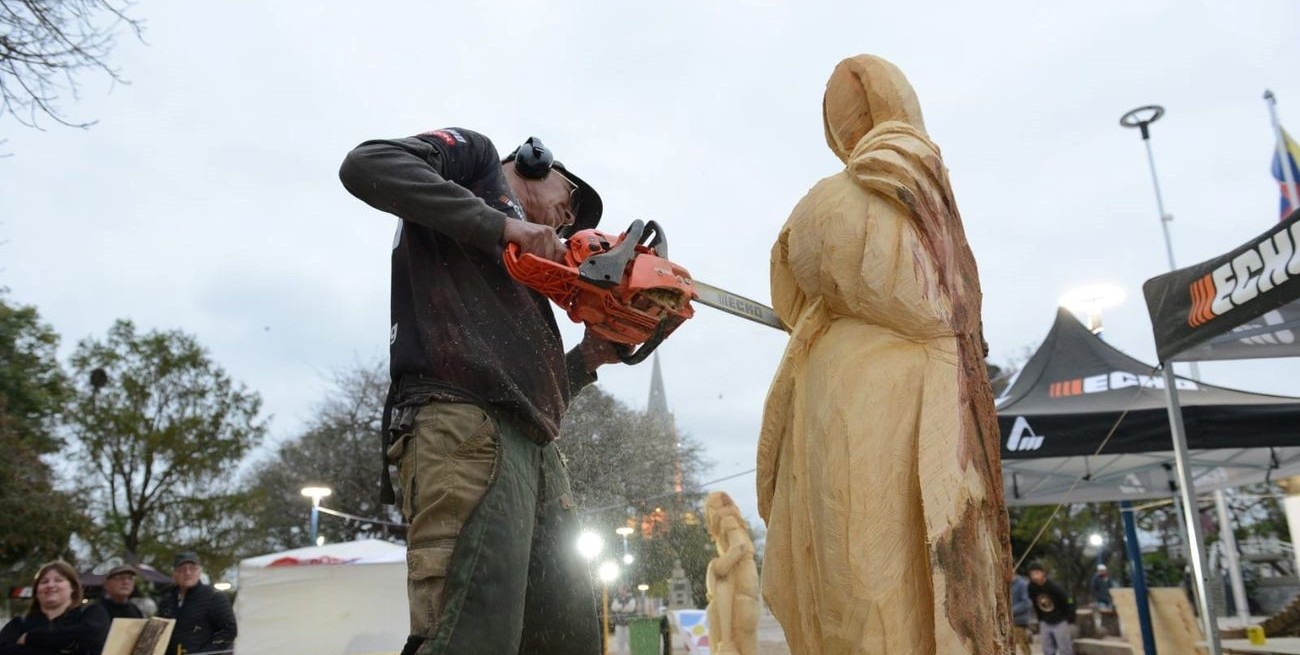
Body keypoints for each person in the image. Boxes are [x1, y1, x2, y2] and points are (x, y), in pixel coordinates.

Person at [757, 54, 1011, 655]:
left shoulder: (896, 174)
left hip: (887, 404)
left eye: (849, 110)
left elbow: (920, 299)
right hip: (844, 400)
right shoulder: (891, 180)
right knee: (847, 582)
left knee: (873, 583)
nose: (848, 127)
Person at [339, 127, 621, 655]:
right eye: (571, 202)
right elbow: (366, 163)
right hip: (463, 422)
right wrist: (503, 224)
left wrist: (588, 359)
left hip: (533, 447)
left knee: (564, 635)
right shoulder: (477, 164)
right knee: (469, 632)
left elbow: (530, 392)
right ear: (535, 164)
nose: (567, 220)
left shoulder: (522, 274)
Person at [0, 560, 110, 655]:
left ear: (73, 588)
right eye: (44, 582)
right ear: (36, 592)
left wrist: (30, 638)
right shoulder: (20, 623)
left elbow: (91, 634)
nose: (50, 585)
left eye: (58, 580)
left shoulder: (91, 613)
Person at [157, 552, 236, 655]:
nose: (188, 572)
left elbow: (229, 631)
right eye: (182, 569)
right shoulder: (166, 600)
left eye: (192, 568)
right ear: (174, 573)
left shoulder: (214, 597)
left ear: (200, 571)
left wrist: (206, 653)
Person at [1027, 562, 1075, 655]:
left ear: (1043, 573)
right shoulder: (1031, 587)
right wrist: (1040, 618)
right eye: (1032, 574)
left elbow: (1068, 600)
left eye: (1037, 573)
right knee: (1047, 649)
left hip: (1060, 621)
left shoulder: (1054, 587)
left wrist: (1070, 617)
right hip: (1045, 621)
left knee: (1065, 649)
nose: (1035, 576)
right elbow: (1034, 602)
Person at [1010, 572, 1033, 655]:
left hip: (1019, 621)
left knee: (1024, 647)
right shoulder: (1007, 584)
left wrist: (1012, 611)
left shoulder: (1022, 584)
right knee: (1010, 647)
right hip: (1008, 622)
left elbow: (1026, 603)